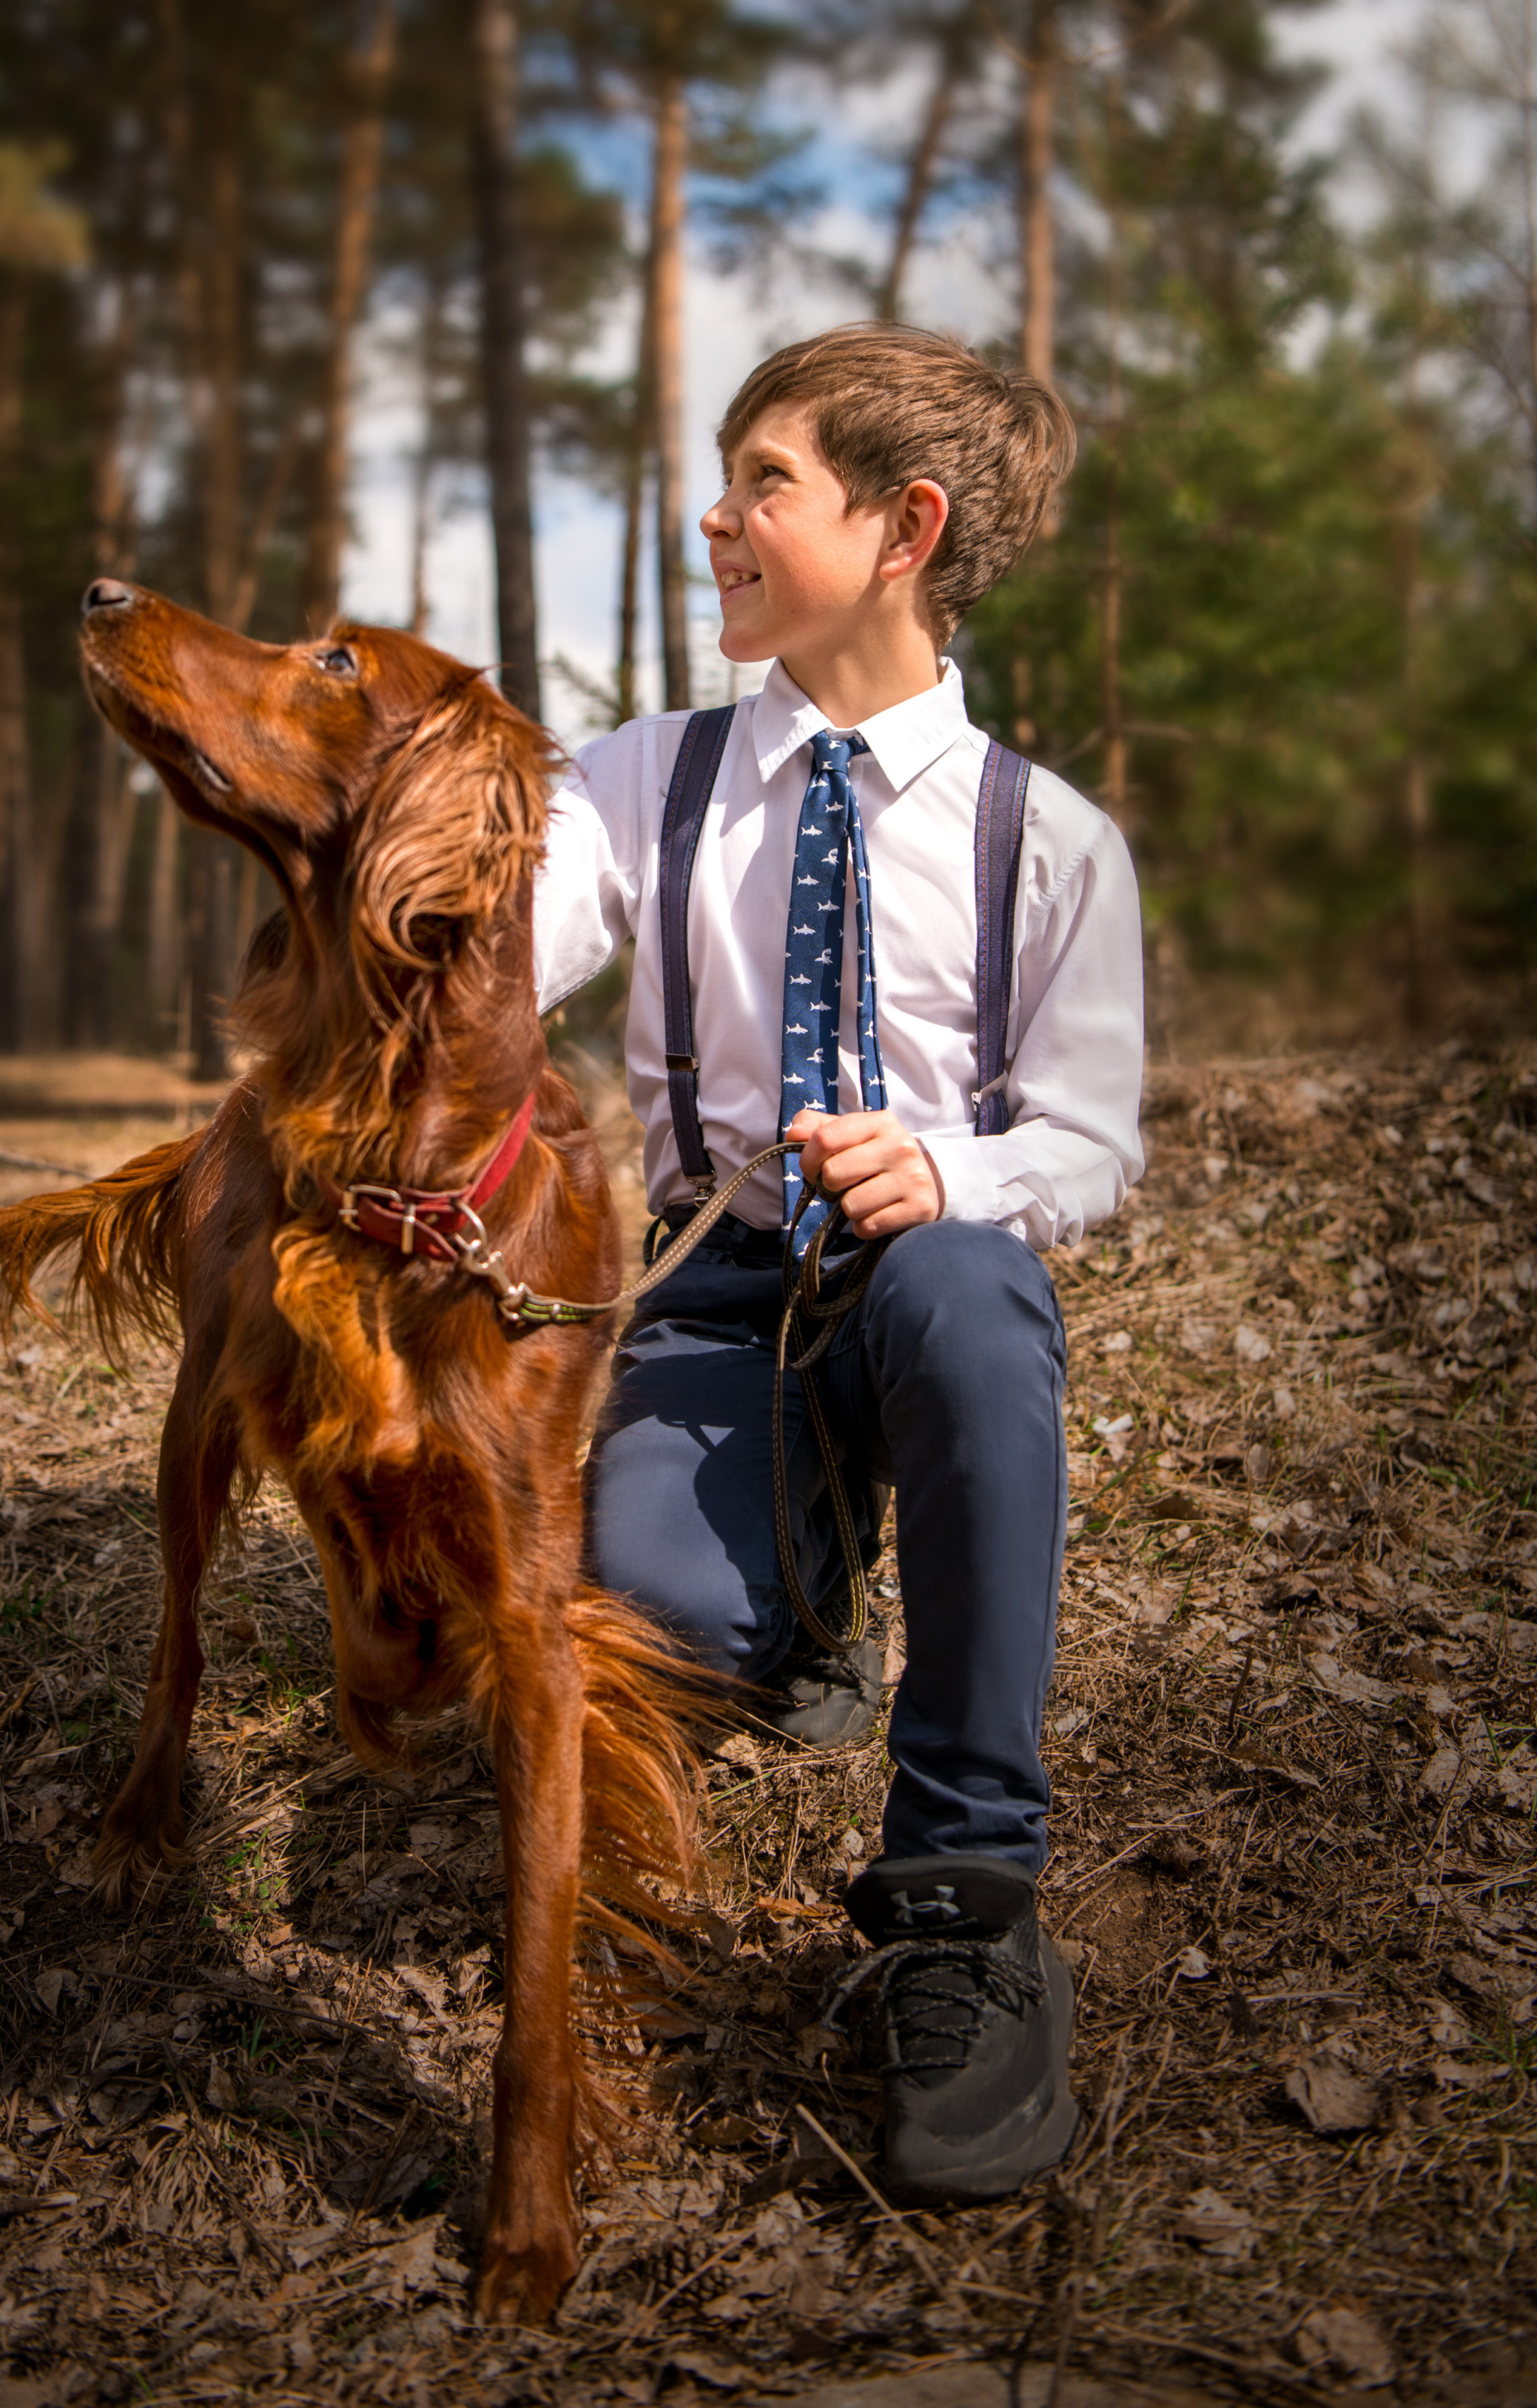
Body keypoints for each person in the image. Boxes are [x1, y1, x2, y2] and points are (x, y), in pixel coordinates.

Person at [532, 322, 1144, 2204]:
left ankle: (965, 1907)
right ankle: (795, 1596)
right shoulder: (641, 777)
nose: (709, 518)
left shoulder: (1048, 838)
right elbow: (493, 947)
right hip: (712, 1284)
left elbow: (1089, 1145)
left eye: (760, 484)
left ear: (903, 526)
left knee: (969, 1297)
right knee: (668, 1634)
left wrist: (943, 1164)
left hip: (916, 1278)